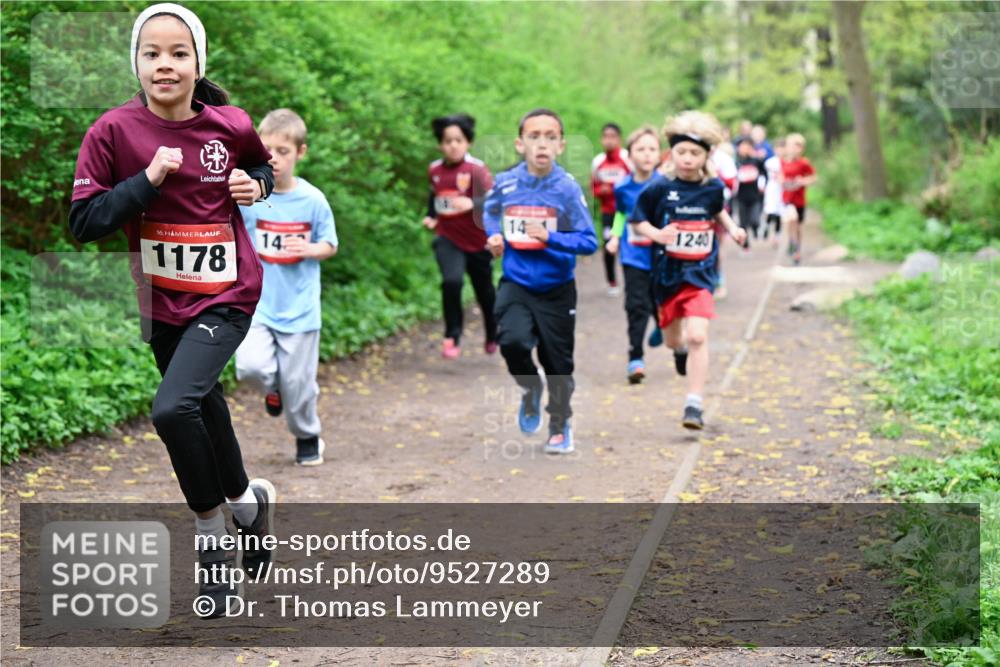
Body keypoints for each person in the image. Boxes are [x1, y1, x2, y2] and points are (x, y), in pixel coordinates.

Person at [69, 2, 276, 617]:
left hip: (228, 294)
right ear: (135, 61)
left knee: (171, 407)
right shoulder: (112, 132)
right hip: (161, 301)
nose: (165, 64)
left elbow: (259, 162)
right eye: (152, 53)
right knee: (204, 408)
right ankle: (248, 507)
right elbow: (83, 221)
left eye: (178, 53)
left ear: (197, 62)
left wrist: (256, 185)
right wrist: (147, 182)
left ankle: (213, 539)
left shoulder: (230, 124)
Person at [484, 109, 598, 454]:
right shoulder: (505, 183)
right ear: (521, 144)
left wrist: (551, 237)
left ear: (561, 145)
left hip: (557, 288)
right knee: (513, 342)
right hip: (517, 281)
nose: (542, 144)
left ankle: (560, 424)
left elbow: (588, 240)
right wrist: (493, 239)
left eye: (550, 137)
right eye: (534, 137)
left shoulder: (566, 189)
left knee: (558, 363)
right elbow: (490, 213)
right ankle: (530, 388)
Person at [630, 111, 747, 430]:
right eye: (681, 152)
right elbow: (637, 220)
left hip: (700, 274)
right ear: (673, 153)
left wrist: (734, 229)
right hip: (667, 275)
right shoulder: (658, 187)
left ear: (707, 155)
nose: (687, 158)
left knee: (698, 335)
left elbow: (717, 211)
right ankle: (677, 351)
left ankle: (694, 404)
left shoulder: (712, 188)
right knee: (673, 340)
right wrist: (657, 235)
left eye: (694, 153)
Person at [235, 109, 338, 467]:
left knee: (300, 388)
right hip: (258, 303)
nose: (274, 159)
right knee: (249, 368)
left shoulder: (313, 200)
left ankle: (307, 436)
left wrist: (310, 249)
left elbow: (330, 244)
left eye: (283, 151)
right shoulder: (248, 196)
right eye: (267, 151)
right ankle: (273, 387)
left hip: (300, 310)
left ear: (300, 153)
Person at [421, 114, 497, 359]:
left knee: (484, 291)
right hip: (448, 237)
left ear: (468, 143)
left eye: (458, 140)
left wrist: (471, 203)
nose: (453, 145)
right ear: (440, 145)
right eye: (447, 141)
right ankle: (452, 335)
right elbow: (435, 196)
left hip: (477, 241)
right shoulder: (434, 169)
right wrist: (431, 215)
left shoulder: (477, 169)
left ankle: (493, 332)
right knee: (451, 281)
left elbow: (494, 201)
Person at [604, 125, 663, 384]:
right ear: (630, 155)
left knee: (660, 302)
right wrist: (615, 237)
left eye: (652, 149)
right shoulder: (623, 187)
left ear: (660, 154)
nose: (647, 154)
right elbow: (620, 213)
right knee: (636, 305)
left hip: (663, 256)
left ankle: (665, 328)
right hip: (633, 255)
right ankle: (635, 358)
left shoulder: (667, 184)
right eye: (641, 149)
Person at [591, 123, 631, 296]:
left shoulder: (628, 158)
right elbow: (593, 188)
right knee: (609, 246)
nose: (609, 141)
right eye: (605, 137)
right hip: (608, 212)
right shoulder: (598, 162)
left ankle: (632, 280)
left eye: (613, 137)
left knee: (628, 246)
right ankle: (612, 281)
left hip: (628, 212)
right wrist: (602, 191)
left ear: (619, 139)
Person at [781, 132, 817, 265]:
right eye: (791, 146)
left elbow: (813, 177)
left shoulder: (804, 163)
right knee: (792, 218)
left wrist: (802, 181)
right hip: (787, 198)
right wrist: (783, 181)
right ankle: (793, 245)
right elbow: (779, 177)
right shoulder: (782, 161)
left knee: (798, 227)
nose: (793, 149)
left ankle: (796, 247)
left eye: (797, 146)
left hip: (799, 199)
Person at [734, 137, 767, 249]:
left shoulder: (756, 161)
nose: (745, 149)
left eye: (747, 147)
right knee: (743, 222)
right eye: (743, 147)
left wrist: (763, 186)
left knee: (754, 219)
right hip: (741, 196)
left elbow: (764, 174)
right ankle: (745, 242)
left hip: (755, 195)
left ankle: (756, 228)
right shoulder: (736, 162)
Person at [761, 138, 785, 245]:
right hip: (772, 188)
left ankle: (777, 235)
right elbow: (764, 176)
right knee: (770, 211)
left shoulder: (786, 162)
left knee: (779, 213)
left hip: (782, 190)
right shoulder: (769, 162)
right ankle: (766, 226)